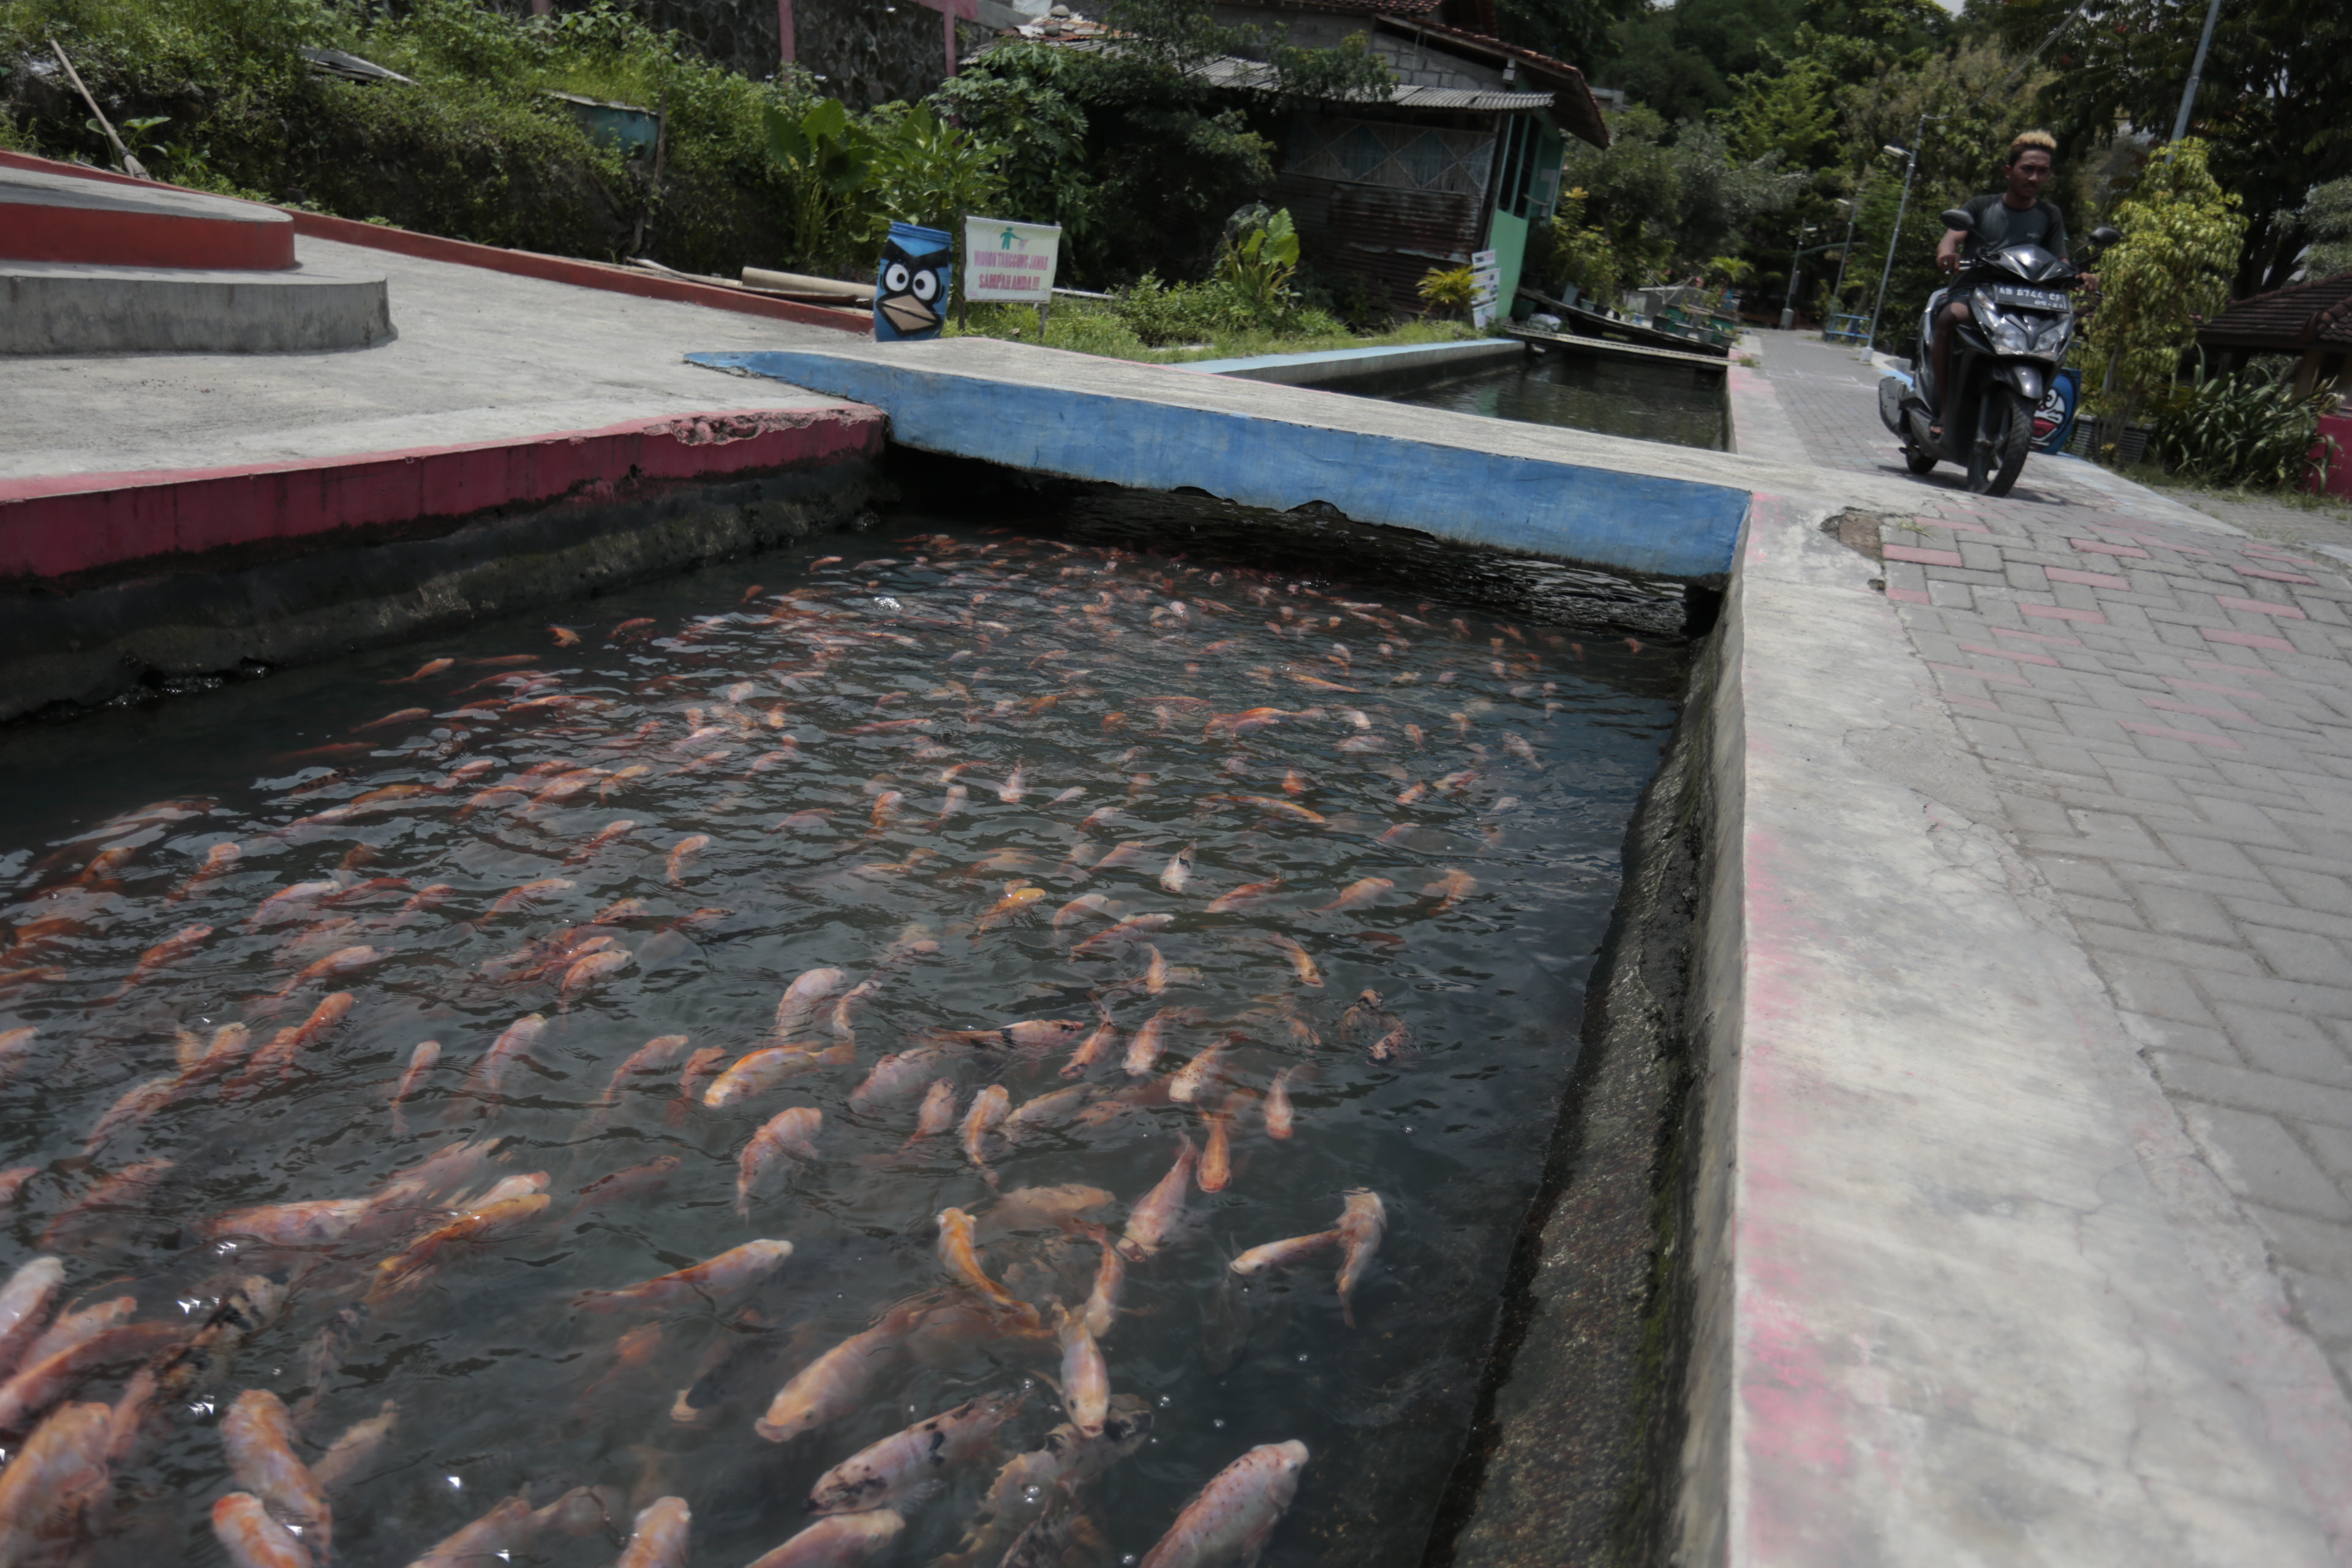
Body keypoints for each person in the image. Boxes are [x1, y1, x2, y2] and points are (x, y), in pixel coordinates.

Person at [1928, 130, 2079, 437]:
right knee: (1949, 317)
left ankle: (2023, 409)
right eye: (2027, 169)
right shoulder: (1982, 206)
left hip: (2028, 299)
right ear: (2009, 171)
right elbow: (1952, 237)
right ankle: (1943, 406)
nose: (2034, 177)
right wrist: (1948, 255)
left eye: (2042, 171)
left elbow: (2059, 259)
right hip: (1975, 291)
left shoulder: (2050, 215)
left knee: (2061, 333)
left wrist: (2077, 275)